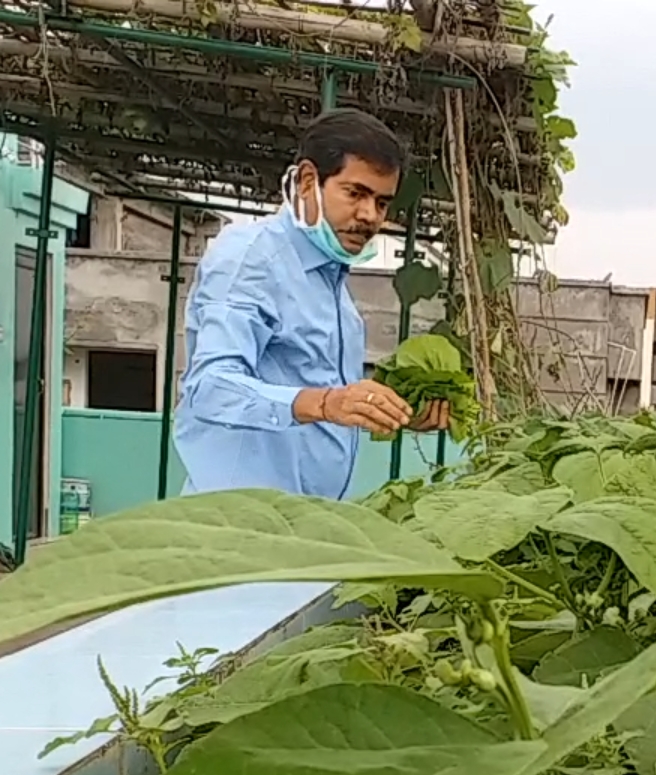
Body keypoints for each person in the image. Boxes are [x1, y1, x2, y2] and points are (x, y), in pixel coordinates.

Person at [173, 108, 449, 498]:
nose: (369, 215)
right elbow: (210, 388)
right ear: (307, 181)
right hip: (238, 531)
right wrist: (328, 402)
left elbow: (324, 401)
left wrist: (395, 411)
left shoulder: (332, 286)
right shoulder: (252, 259)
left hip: (301, 527)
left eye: (383, 203)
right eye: (355, 193)